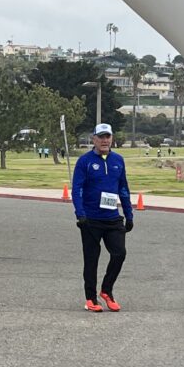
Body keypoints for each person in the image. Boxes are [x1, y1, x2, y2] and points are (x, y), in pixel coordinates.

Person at [71, 123, 134, 313]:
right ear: (94, 139)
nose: (105, 140)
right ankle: (91, 298)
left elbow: (123, 188)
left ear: (112, 138)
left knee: (119, 253)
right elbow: (77, 189)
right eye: (101, 137)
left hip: (113, 218)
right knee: (92, 259)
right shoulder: (85, 161)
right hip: (91, 219)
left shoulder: (118, 160)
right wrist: (80, 213)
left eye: (108, 137)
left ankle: (106, 291)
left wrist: (129, 215)